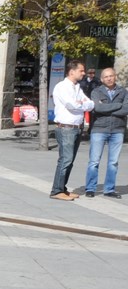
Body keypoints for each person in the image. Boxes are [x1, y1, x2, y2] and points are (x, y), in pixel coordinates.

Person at [50, 59, 94, 201]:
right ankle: (56, 190)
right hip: (66, 128)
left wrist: (82, 103)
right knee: (65, 160)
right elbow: (71, 105)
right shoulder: (62, 87)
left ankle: (62, 188)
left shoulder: (77, 87)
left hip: (76, 128)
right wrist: (81, 104)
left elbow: (90, 104)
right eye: (81, 70)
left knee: (70, 160)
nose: (84, 73)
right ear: (71, 71)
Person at [84, 67, 127, 198]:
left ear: (115, 77)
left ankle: (109, 189)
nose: (109, 78)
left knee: (113, 162)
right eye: (106, 77)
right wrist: (118, 105)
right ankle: (90, 188)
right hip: (99, 128)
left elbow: (126, 109)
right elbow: (97, 108)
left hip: (117, 130)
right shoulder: (96, 91)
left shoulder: (123, 92)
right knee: (94, 161)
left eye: (111, 76)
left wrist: (106, 108)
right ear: (102, 79)